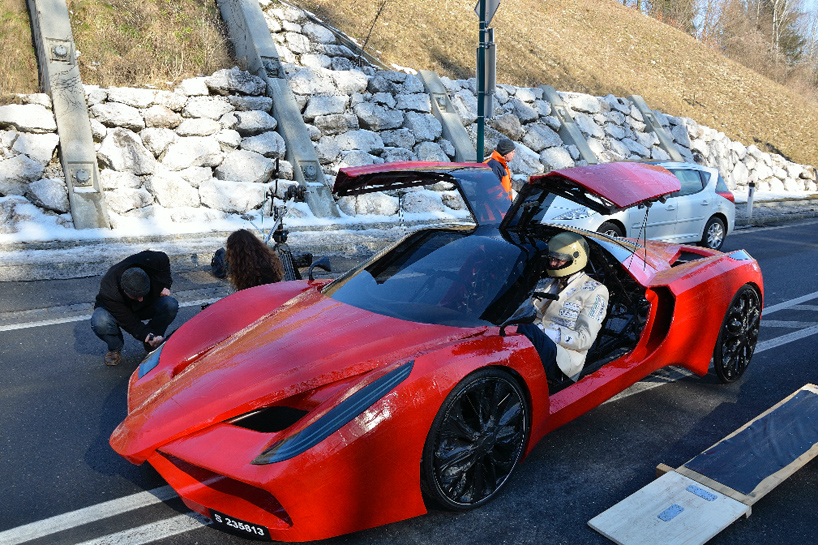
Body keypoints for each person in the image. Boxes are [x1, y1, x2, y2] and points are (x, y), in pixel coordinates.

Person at [517, 232, 609, 382]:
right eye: (551, 259)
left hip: (564, 359)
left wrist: (544, 333)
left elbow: (585, 339)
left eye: (558, 260)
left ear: (576, 259)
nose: (553, 264)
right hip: (534, 344)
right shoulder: (546, 283)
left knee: (524, 328)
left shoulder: (596, 291)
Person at [92, 250, 178, 366]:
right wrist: (145, 335)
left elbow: (164, 261)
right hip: (119, 309)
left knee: (170, 304)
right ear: (124, 289)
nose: (140, 299)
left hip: (146, 306)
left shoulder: (151, 260)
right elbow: (129, 321)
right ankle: (114, 347)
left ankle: (153, 341)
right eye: (136, 296)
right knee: (100, 320)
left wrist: (166, 285)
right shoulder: (109, 289)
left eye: (143, 294)